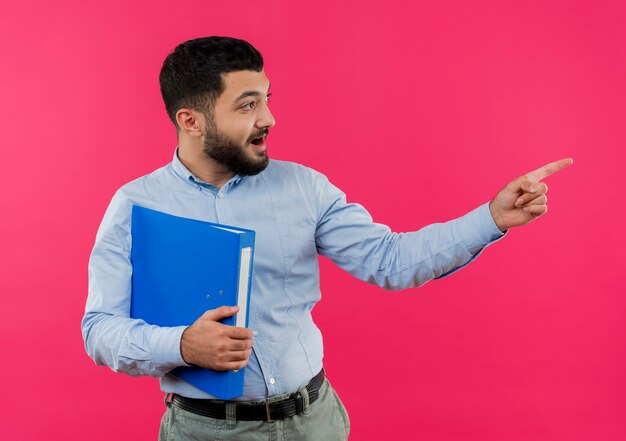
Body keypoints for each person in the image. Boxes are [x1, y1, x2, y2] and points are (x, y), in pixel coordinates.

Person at [81, 36, 572, 441]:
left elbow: (391, 260)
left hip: (314, 423)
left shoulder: (304, 187)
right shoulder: (135, 206)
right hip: (205, 431)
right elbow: (99, 329)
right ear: (190, 120)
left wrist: (492, 218)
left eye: (268, 99)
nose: (268, 118)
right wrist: (183, 344)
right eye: (247, 105)